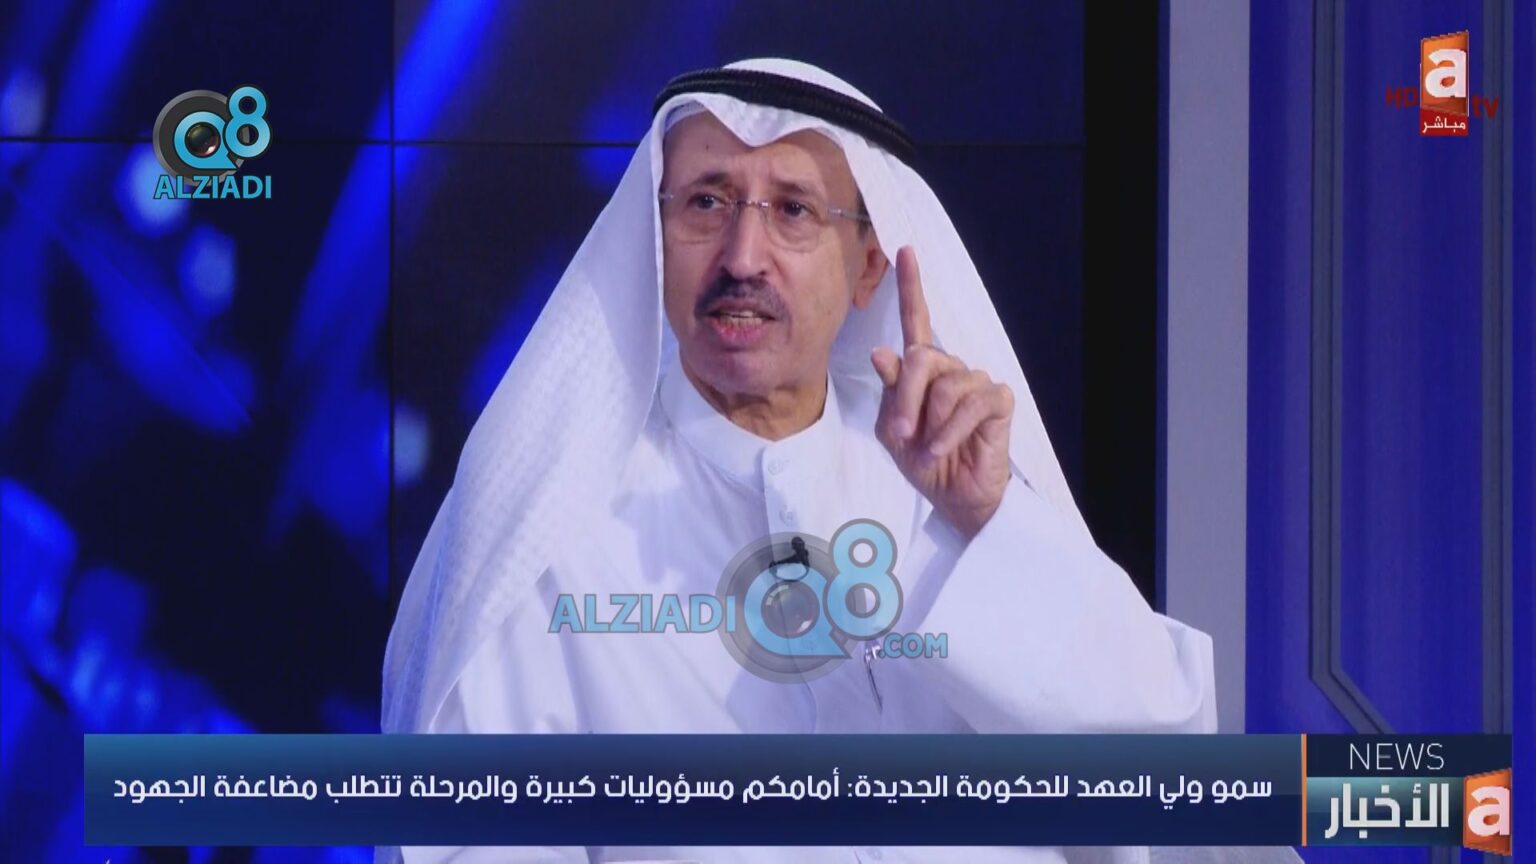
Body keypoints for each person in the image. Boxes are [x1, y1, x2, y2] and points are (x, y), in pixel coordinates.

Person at [381, 58, 1217, 864]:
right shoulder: (558, 523)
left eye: (794, 210)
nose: (743, 256)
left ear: (868, 267)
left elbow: (1170, 771)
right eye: (707, 202)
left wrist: (991, 523)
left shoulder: (956, 488)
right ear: (655, 241)